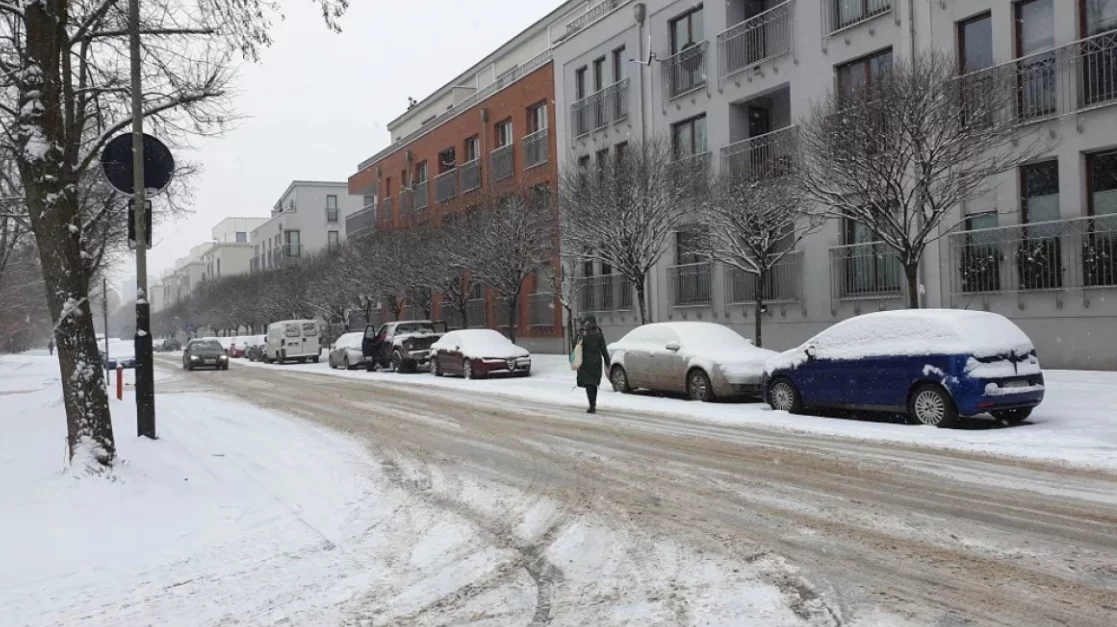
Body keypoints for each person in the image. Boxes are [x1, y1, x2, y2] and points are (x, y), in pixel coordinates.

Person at [575, 314, 609, 414]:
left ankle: (591, 405)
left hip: (585, 363)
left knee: (589, 384)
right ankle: (593, 404)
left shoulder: (582, 334)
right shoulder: (598, 333)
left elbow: (575, 346)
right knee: (593, 384)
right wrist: (607, 361)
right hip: (596, 362)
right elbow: (603, 349)